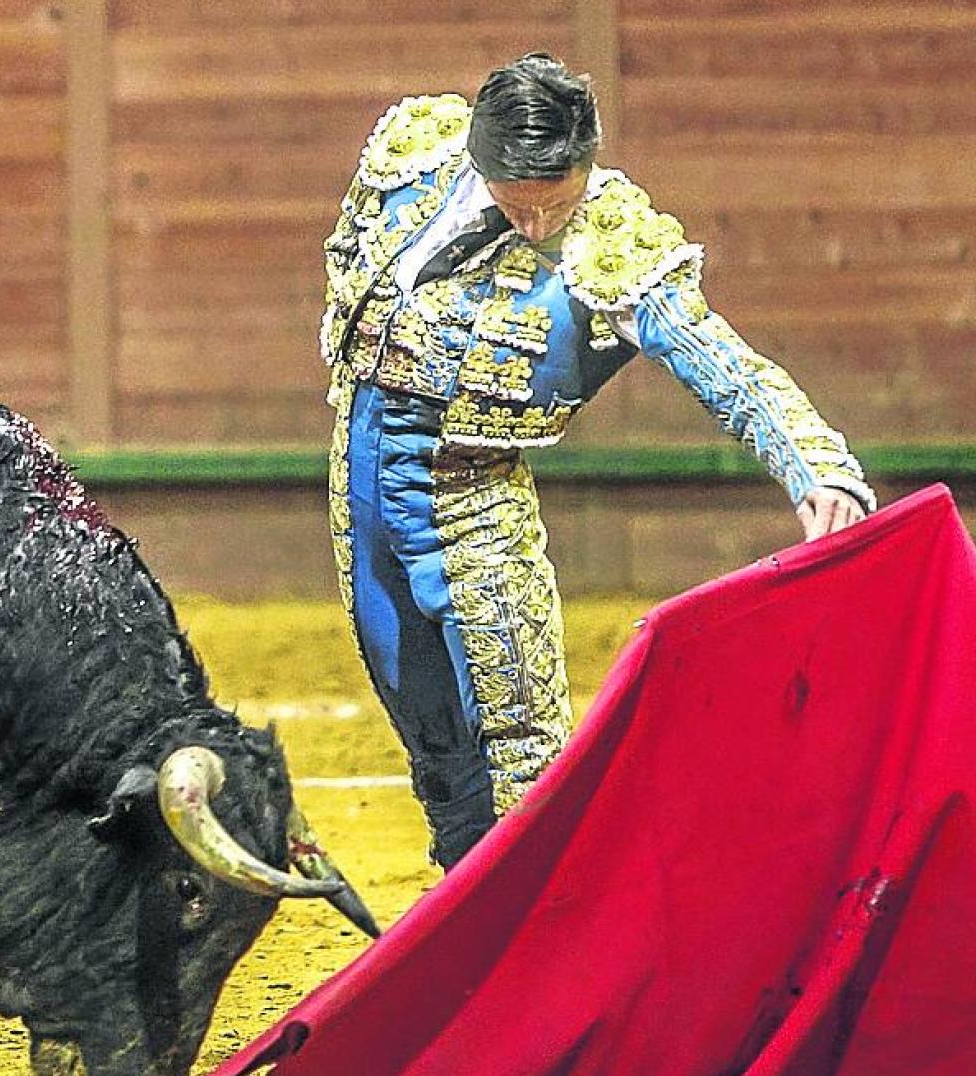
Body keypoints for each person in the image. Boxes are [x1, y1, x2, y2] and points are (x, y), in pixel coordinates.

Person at [319, 53, 873, 870]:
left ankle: (534, 933)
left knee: (523, 753)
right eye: (519, 204)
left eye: (560, 202)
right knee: (430, 736)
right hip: (356, 481)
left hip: (473, 497)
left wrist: (815, 465)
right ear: (481, 161)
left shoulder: (613, 242)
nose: (542, 226)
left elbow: (719, 361)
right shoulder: (414, 155)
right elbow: (345, 258)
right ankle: (461, 917)